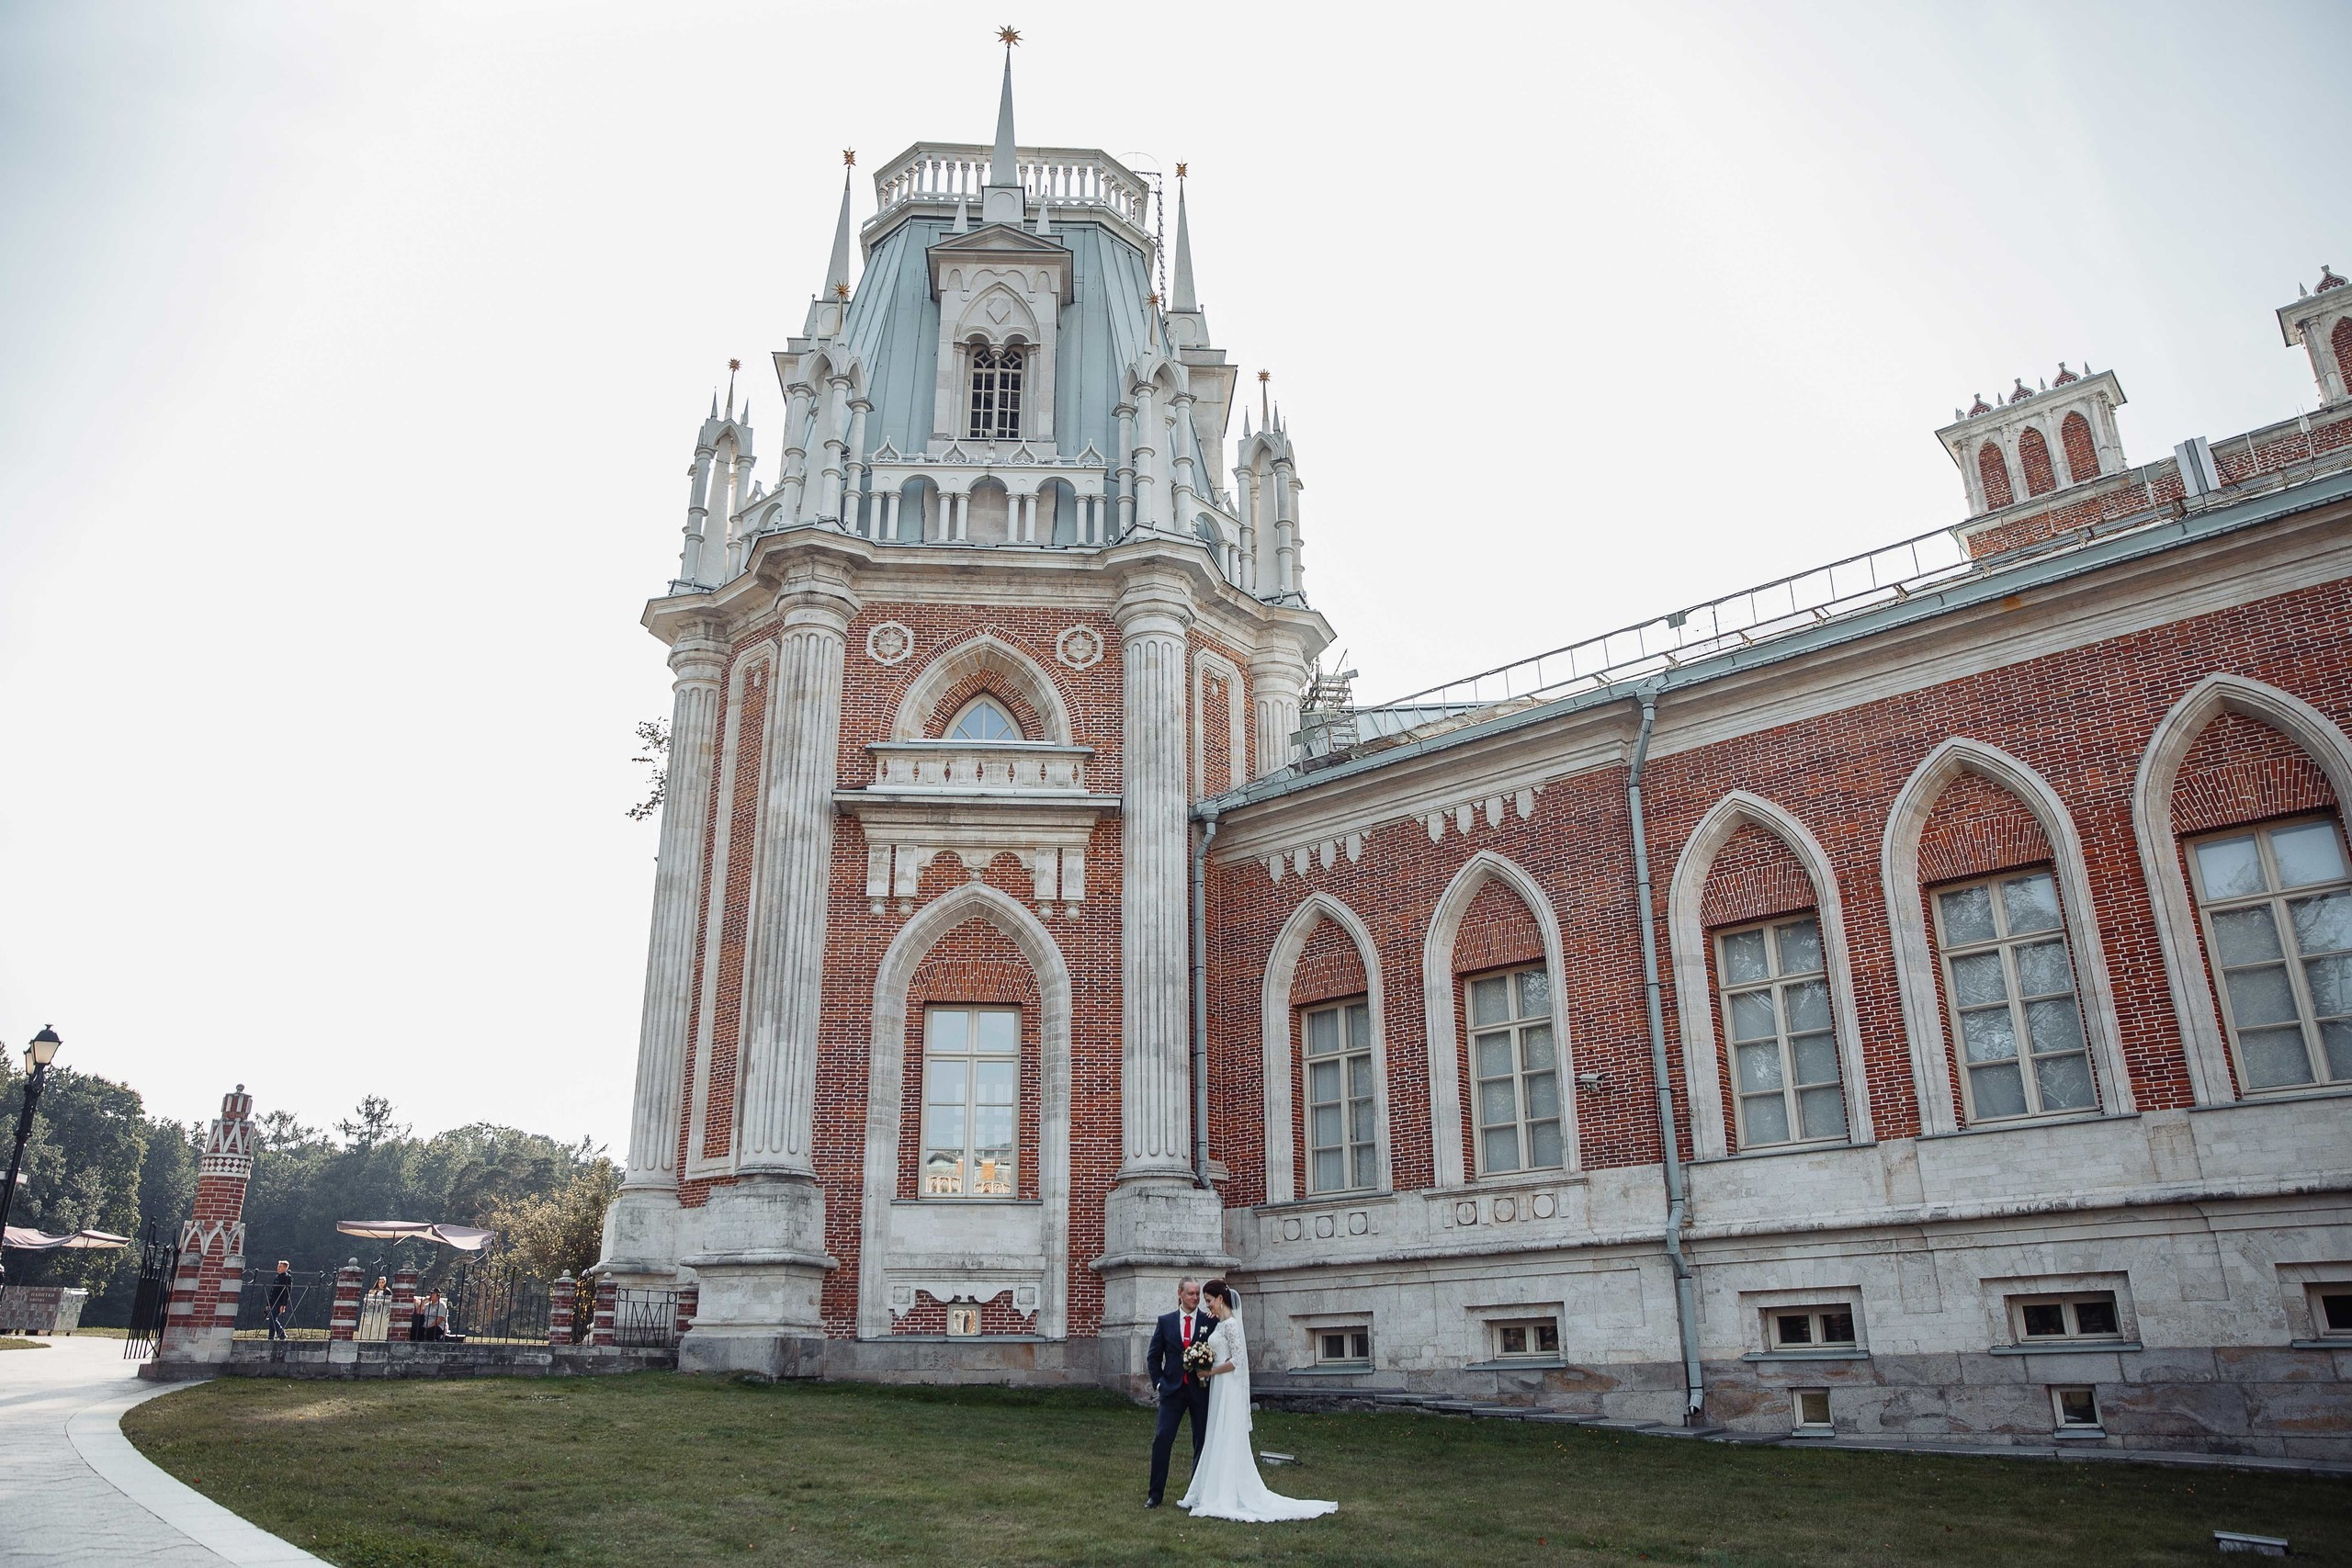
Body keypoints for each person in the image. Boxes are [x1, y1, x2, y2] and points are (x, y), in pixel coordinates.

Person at [1177, 1280, 1336, 1522]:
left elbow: (1237, 1361)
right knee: (1215, 1434)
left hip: (1226, 1383)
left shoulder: (1230, 1325)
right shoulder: (1220, 1323)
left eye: (1209, 1300)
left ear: (1221, 1299)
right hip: (1219, 1386)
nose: (1206, 1304)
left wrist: (1209, 1372)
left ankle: (1225, 1493)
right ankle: (1210, 1488)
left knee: (1227, 1433)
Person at [1142, 1277, 1216, 1509]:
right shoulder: (1166, 1322)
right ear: (1180, 1294)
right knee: (1163, 1438)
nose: (1195, 1298)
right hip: (1172, 1391)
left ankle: (1197, 1494)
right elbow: (1153, 1356)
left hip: (1200, 1391)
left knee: (1201, 1441)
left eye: (1197, 1294)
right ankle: (1155, 1494)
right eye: (1191, 1294)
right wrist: (1159, 1383)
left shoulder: (1208, 1322)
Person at [357, 1276, 390, 1343]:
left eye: (383, 1282)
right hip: (372, 1313)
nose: (381, 1284)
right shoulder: (374, 1291)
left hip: (382, 1314)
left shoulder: (387, 1291)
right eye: (380, 1282)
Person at [266, 1261, 292, 1342]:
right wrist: (268, 1304)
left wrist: (283, 1304)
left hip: (279, 1302)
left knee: (272, 1318)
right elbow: (272, 1291)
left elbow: (287, 1292)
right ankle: (271, 1336)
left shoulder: (287, 1278)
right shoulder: (277, 1277)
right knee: (271, 1318)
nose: (278, 1268)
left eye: (280, 1266)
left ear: (285, 1268)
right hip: (273, 1301)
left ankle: (281, 1333)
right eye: (278, 1266)